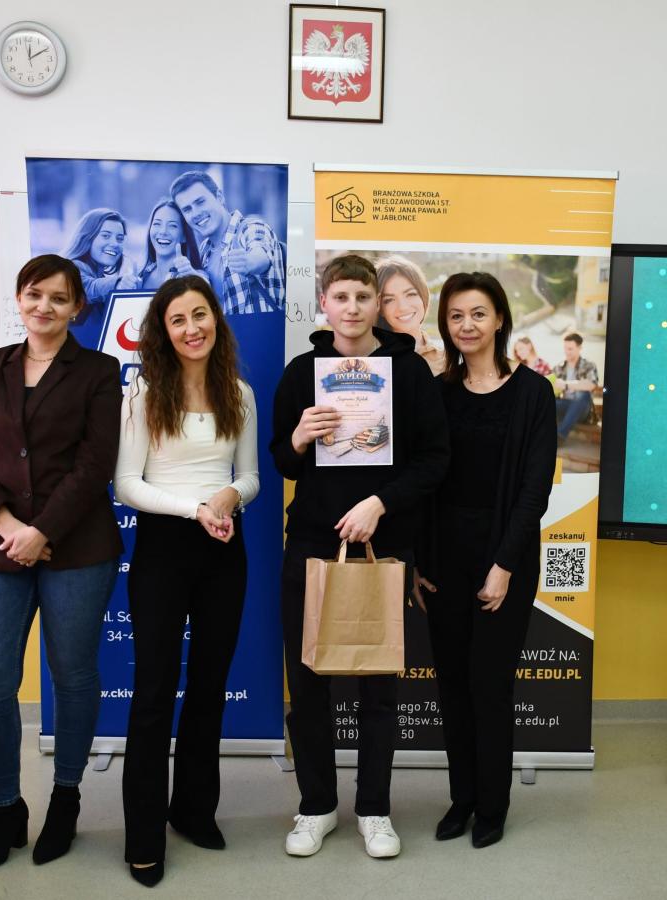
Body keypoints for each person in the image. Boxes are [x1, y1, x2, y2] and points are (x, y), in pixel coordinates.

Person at [270, 254, 448, 860]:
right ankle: (317, 805)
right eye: (341, 297)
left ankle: (374, 809)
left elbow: (435, 460)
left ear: (378, 304)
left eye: (363, 297)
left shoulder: (410, 371)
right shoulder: (302, 373)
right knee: (307, 684)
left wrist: (380, 502)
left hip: (383, 546)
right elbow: (282, 462)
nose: (352, 308)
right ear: (323, 302)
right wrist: (299, 438)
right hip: (312, 543)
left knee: (378, 687)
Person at [0, 254, 123, 873]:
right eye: (34, 294)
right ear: (19, 300)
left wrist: (42, 531)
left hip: (77, 547)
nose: (44, 306)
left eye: (58, 297)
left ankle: (66, 799)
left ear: (77, 307)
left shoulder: (99, 371)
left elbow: (96, 463)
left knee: (72, 676)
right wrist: (10, 527)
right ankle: (5, 809)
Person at [114, 275, 260, 887]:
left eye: (200, 315)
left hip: (224, 547)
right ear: (163, 331)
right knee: (153, 692)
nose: (192, 328)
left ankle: (194, 811)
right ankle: (144, 836)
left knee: (208, 686)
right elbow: (127, 484)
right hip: (164, 548)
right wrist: (193, 508)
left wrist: (228, 497)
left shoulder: (239, 394)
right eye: (178, 320)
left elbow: (250, 476)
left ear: (215, 320)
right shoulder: (144, 393)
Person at [413, 272, 557, 848]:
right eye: (456, 316)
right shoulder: (439, 393)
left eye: (478, 313)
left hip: (505, 557)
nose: (467, 325)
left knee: (490, 686)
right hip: (444, 559)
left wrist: (503, 566)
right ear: (445, 324)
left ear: (500, 319)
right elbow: (424, 480)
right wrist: (419, 562)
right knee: (452, 685)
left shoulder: (533, 393)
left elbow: (534, 491)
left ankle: (493, 806)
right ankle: (463, 799)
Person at [169, 171, 286, 316]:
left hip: (261, 329)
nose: (196, 213)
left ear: (219, 197)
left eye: (200, 202)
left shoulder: (250, 228)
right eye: (187, 209)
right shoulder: (205, 251)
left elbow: (261, 253)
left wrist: (249, 262)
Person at [61, 208, 140, 349]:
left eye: (119, 238)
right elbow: (89, 288)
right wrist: (118, 283)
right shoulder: (70, 268)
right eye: (105, 236)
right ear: (88, 237)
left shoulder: (98, 275)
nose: (115, 243)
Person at [376, 255, 446, 375]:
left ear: (423, 295)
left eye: (410, 294)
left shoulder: (447, 361)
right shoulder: (371, 360)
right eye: (389, 300)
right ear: (380, 308)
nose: (403, 307)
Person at [138, 199, 205, 292]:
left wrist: (194, 280)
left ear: (184, 236)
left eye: (172, 226)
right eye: (157, 224)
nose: (163, 231)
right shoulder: (141, 277)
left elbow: (205, 287)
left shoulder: (194, 276)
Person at [551, 332, 600, 440]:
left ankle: (560, 435)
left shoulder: (589, 365)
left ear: (580, 348)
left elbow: (591, 384)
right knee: (545, 400)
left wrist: (566, 385)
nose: (566, 352)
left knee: (583, 394)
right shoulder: (558, 367)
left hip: (582, 410)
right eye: (565, 348)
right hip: (564, 406)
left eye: (570, 349)